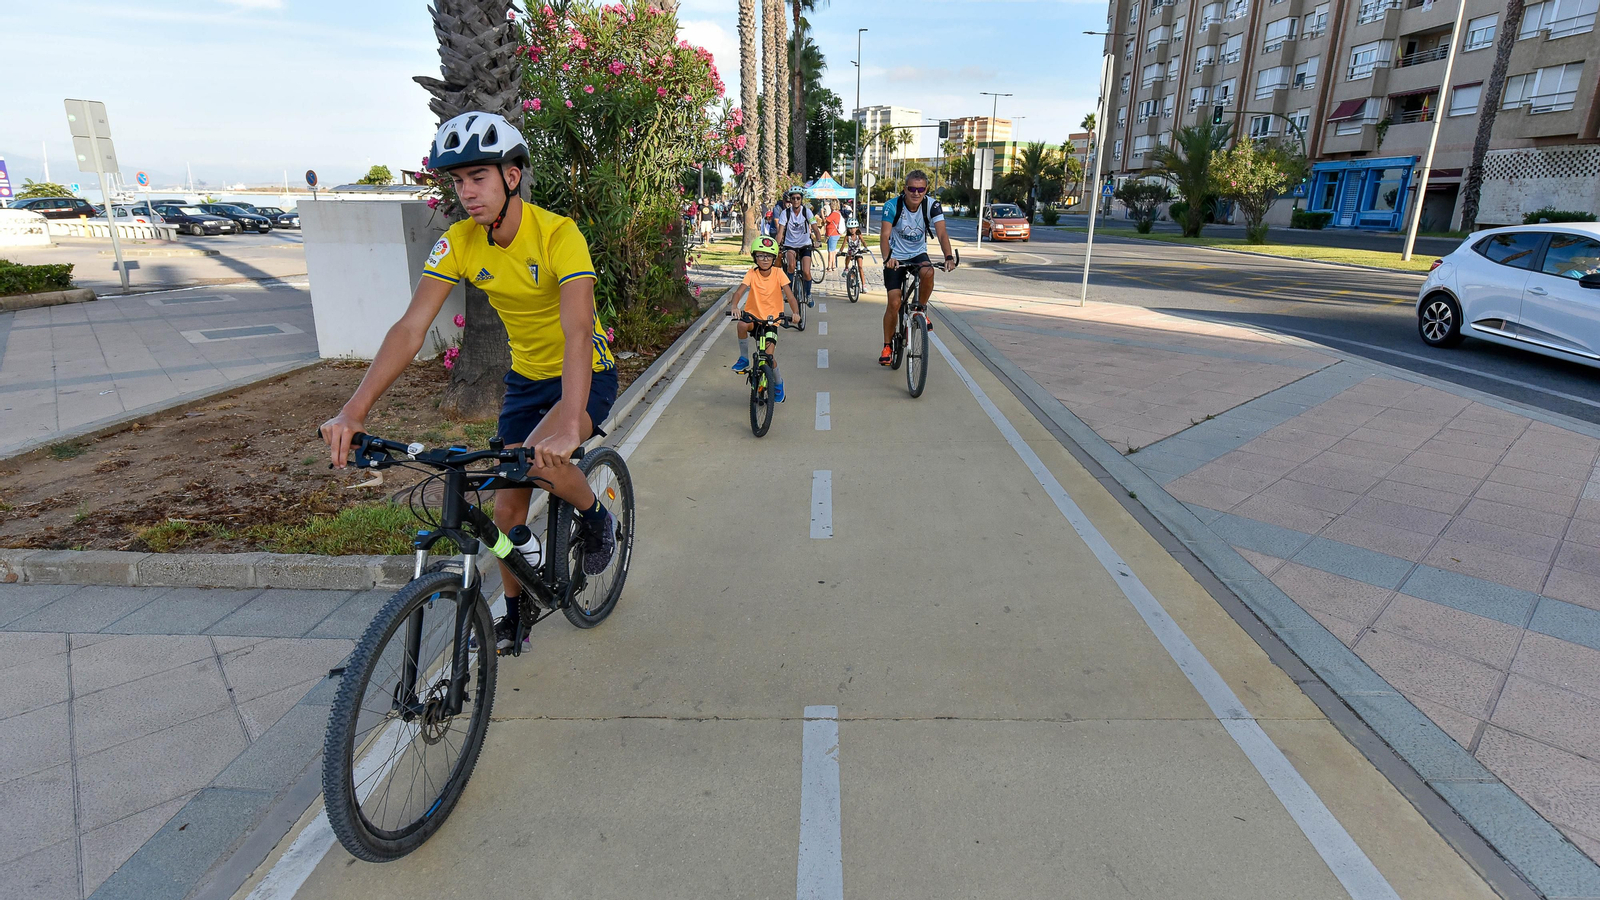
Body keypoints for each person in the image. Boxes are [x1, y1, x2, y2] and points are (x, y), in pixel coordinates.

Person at [319, 111, 618, 654]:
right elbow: (412, 328)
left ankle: (597, 518)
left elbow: (577, 330)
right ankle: (519, 609)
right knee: (504, 513)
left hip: (585, 371)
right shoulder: (458, 241)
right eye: (457, 181)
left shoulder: (558, 235)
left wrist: (572, 422)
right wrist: (353, 409)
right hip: (528, 379)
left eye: (478, 177)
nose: (466, 192)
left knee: (536, 460)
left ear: (510, 175)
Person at [878, 170, 955, 365]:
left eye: (920, 189)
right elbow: (885, 235)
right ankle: (887, 345)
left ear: (926, 190)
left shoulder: (932, 206)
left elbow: (942, 234)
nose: (916, 193)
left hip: (918, 253)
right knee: (894, 303)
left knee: (928, 271)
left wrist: (948, 256)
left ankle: (920, 309)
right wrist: (888, 257)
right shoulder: (892, 206)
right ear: (905, 189)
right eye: (912, 188)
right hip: (895, 256)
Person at [729, 235, 800, 404]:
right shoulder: (751, 274)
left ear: (774, 257)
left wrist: (796, 312)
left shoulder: (778, 273)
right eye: (760, 256)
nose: (764, 259)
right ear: (755, 257)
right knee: (741, 325)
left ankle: (778, 384)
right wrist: (734, 306)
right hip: (753, 317)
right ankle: (744, 358)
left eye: (768, 256)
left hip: (771, 321)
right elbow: (739, 292)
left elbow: (790, 296)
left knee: (769, 358)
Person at [773, 186, 817, 307]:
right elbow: (780, 232)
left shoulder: (807, 212)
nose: (796, 200)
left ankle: (808, 294)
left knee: (806, 272)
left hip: (805, 245)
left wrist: (818, 240)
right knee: (791, 266)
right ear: (790, 200)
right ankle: (789, 292)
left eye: (798, 198)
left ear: (801, 199)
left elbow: (815, 228)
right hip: (790, 245)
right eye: (793, 198)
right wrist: (776, 246)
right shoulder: (785, 213)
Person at [836, 216, 867, 285]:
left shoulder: (859, 235)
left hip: (858, 252)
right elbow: (843, 245)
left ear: (857, 228)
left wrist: (865, 248)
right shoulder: (847, 236)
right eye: (850, 228)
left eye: (853, 228)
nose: (852, 230)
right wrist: (840, 252)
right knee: (848, 255)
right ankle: (846, 268)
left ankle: (864, 285)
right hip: (850, 252)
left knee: (860, 267)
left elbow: (863, 242)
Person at [822, 202, 842, 272]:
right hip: (835, 234)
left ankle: (829, 266)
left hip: (832, 234)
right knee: (833, 251)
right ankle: (833, 266)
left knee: (830, 251)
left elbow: (826, 220)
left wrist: (822, 213)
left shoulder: (834, 214)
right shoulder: (838, 213)